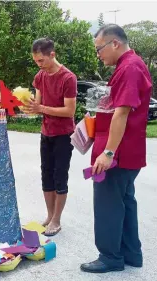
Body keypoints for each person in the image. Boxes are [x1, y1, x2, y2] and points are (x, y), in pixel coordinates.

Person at [80, 24, 152, 273]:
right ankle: (132, 253)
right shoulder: (129, 65)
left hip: (118, 154)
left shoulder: (130, 68)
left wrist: (108, 152)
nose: (98, 54)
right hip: (128, 151)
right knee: (124, 202)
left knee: (108, 203)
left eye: (99, 48)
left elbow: (121, 113)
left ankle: (110, 256)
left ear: (115, 44)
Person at [25, 38, 77, 236]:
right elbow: (38, 107)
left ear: (52, 55)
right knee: (46, 174)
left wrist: (41, 108)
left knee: (59, 176)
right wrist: (29, 106)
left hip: (63, 135)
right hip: (46, 132)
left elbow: (69, 111)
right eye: (36, 61)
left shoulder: (68, 78)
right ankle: (49, 216)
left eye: (41, 61)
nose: (39, 65)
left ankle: (57, 220)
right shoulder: (40, 76)